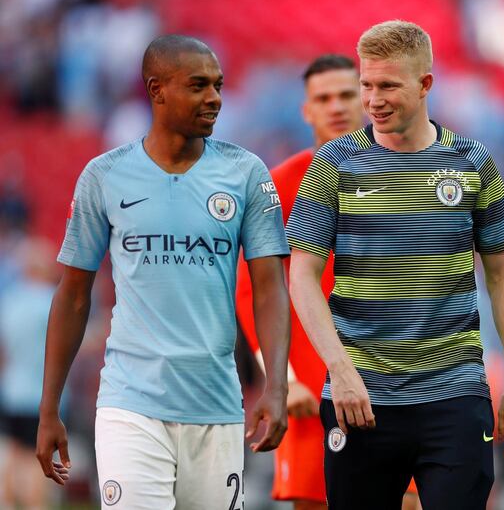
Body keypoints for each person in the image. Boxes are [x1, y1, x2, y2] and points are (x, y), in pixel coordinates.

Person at [286, 20, 504, 510]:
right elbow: (302, 274)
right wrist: (340, 370)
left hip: (455, 396)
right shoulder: (333, 164)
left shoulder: (472, 162)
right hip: (362, 397)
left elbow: (503, 272)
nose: (373, 99)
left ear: (425, 85)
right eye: (367, 85)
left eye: (388, 86)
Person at [35, 34, 291, 509]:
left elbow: (270, 287)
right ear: (156, 91)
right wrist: (49, 407)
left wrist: (277, 386)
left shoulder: (246, 173)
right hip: (131, 403)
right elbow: (73, 295)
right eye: (197, 85)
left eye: (218, 85)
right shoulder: (105, 175)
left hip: (217, 405)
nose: (214, 98)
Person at [235, 53, 420, 510]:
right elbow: (250, 290)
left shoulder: (411, 173)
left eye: (345, 94)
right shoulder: (278, 187)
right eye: (323, 98)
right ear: (307, 110)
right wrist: (286, 379)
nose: (335, 106)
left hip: (402, 385)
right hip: (315, 391)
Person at [0, 238, 58, 510]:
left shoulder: (10, 301)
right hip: (44, 394)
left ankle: (8, 503)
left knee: (13, 452)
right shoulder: (51, 300)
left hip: (12, 390)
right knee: (41, 459)